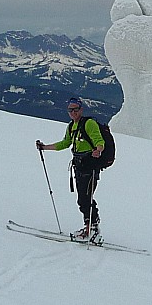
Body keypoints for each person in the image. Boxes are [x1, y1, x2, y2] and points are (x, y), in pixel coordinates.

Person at [36, 97, 104, 241]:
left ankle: (91, 229)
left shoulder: (89, 124)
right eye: (70, 110)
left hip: (90, 167)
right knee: (83, 198)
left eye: (75, 109)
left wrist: (98, 150)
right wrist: (45, 147)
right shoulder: (71, 126)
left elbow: (99, 140)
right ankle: (91, 227)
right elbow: (65, 143)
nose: (73, 112)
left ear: (81, 109)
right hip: (79, 167)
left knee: (85, 198)